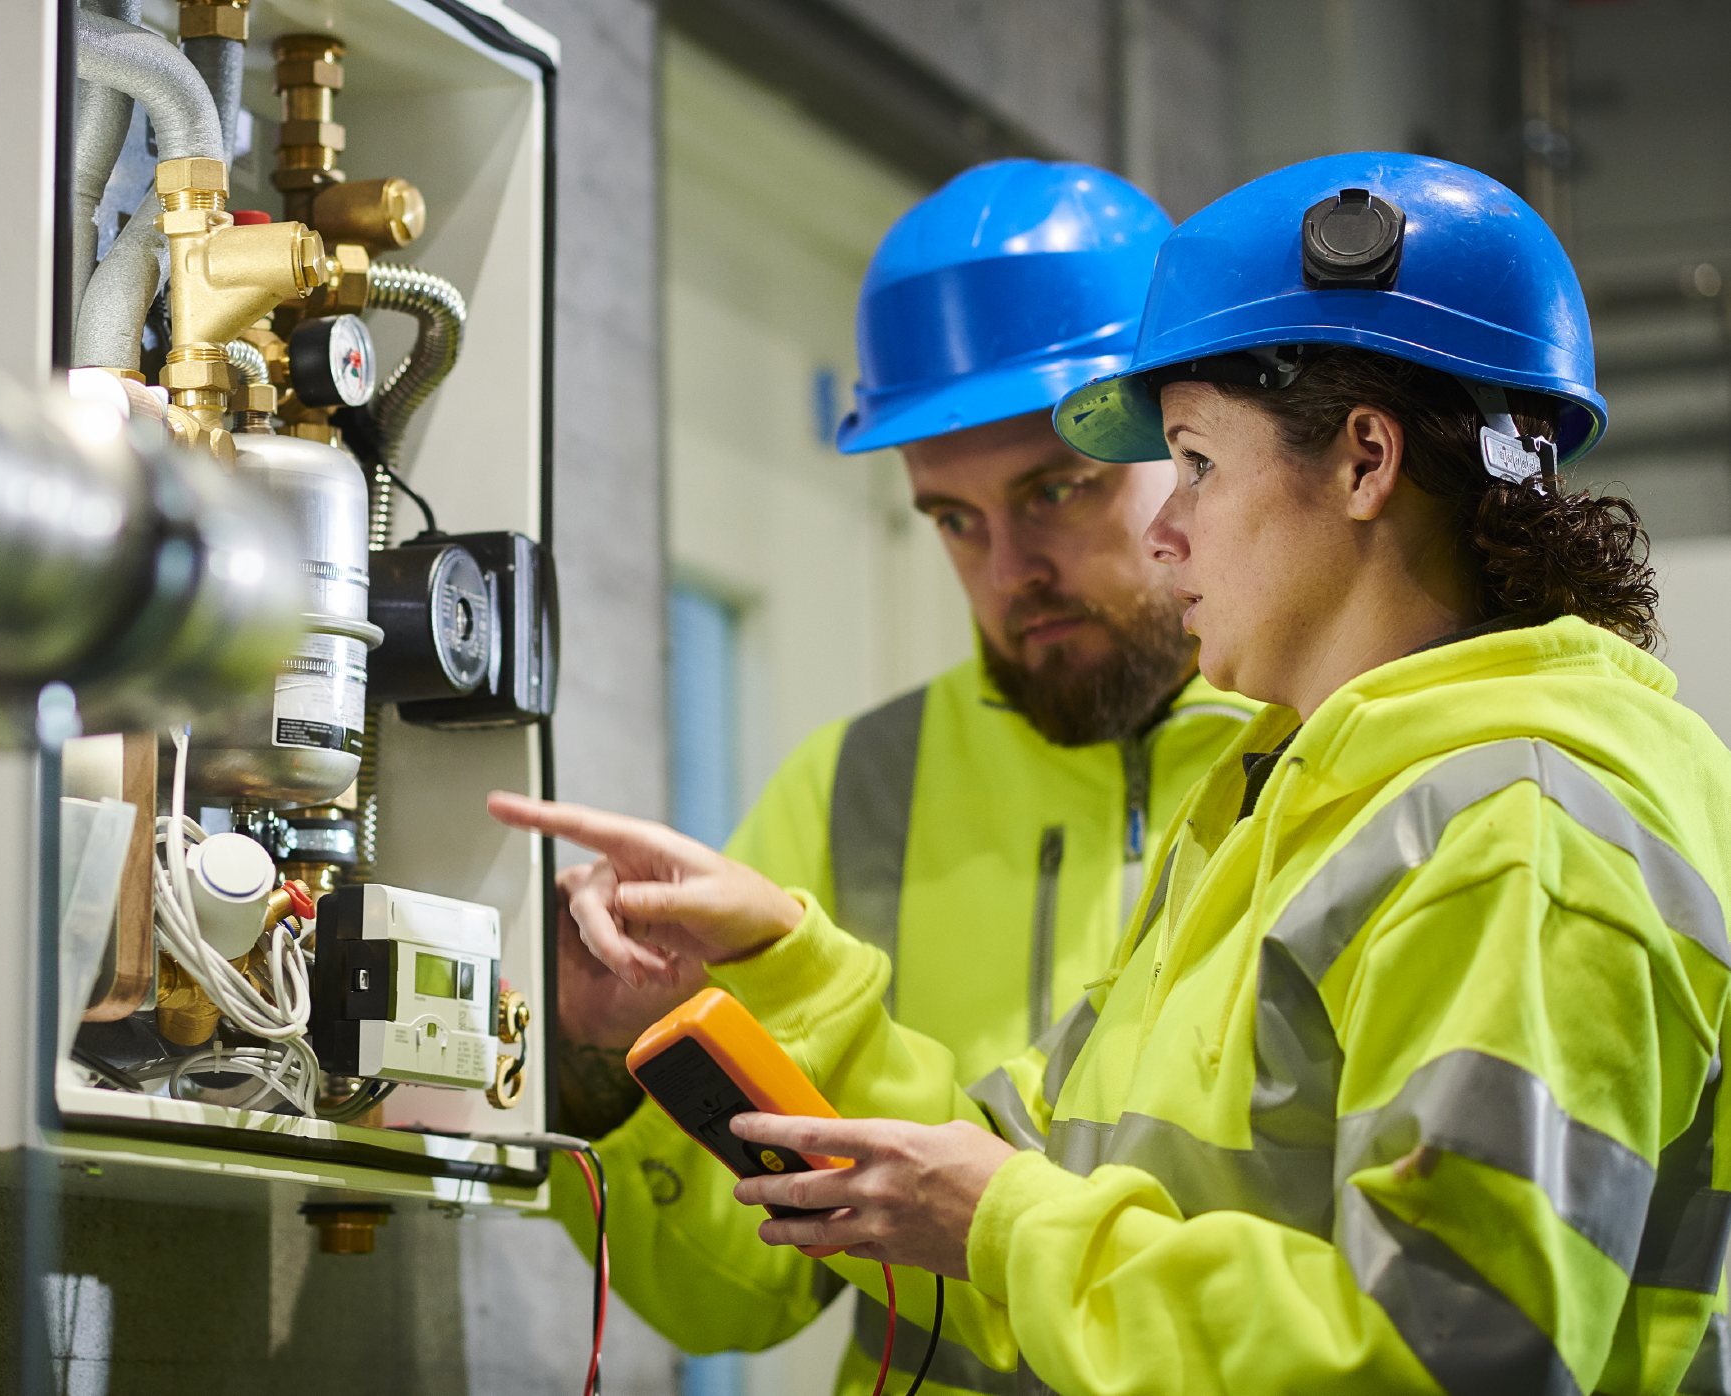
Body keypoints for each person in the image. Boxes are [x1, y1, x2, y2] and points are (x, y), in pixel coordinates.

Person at [506, 151, 1731, 1394]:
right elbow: (1010, 1180)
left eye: (1190, 462)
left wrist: (1008, 1225)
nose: (1162, 530)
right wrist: (787, 966)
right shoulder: (1280, 804)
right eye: (953, 520)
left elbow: (1451, 1360)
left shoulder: (1514, 829)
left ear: (1366, 461)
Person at [546, 159, 1254, 1394]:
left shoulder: (1330, 757)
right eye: (953, 519)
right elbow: (736, 1294)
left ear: (1185, 443)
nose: (1009, 569)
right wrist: (602, 1070)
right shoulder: (847, 790)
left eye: (1056, 491)